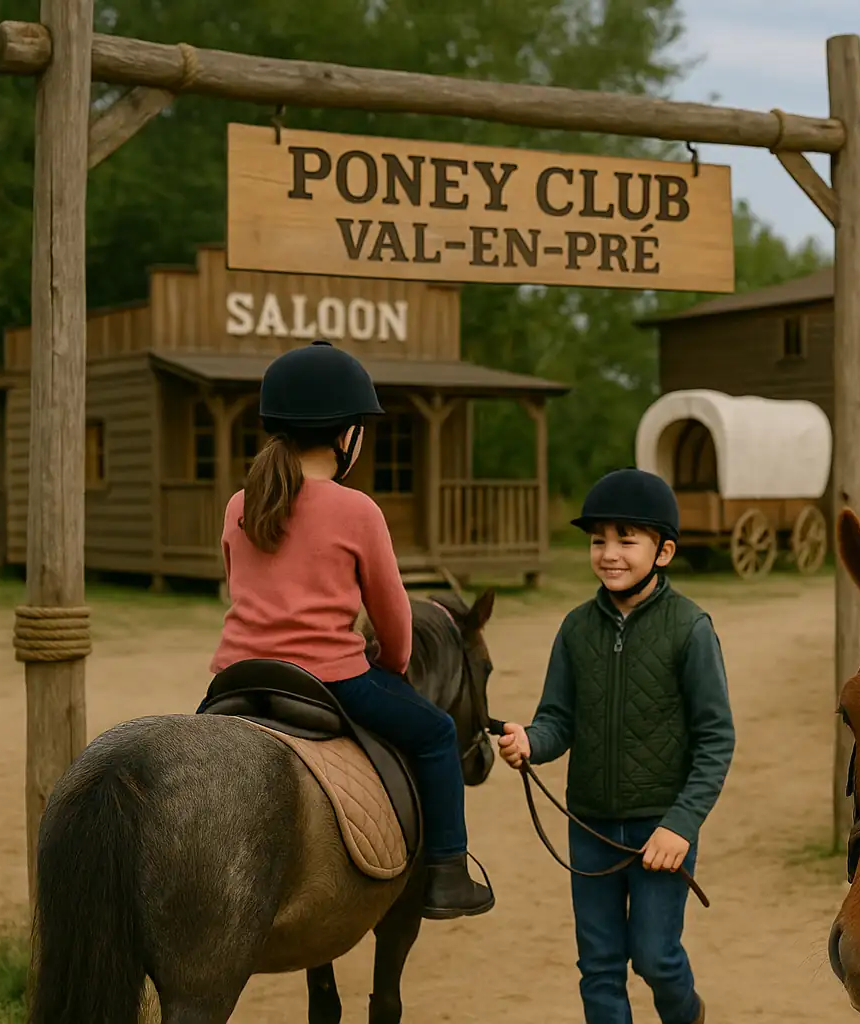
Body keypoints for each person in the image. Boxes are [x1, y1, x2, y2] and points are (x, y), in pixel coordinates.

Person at [205, 339, 494, 920]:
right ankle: (447, 874)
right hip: (332, 680)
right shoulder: (359, 510)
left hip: (235, 677)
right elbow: (393, 619)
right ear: (347, 435)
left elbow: (239, 583)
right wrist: (391, 662)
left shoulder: (241, 502)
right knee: (436, 732)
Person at [497, 467, 735, 1024]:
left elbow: (715, 738)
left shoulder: (690, 628)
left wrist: (682, 824)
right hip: (590, 829)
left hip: (660, 832)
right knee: (599, 967)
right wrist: (531, 741)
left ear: (664, 551)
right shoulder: (575, 629)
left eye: (626, 539)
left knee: (656, 958)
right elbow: (557, 719)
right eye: (598, 540)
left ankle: (688, 1014)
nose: (609, 553)